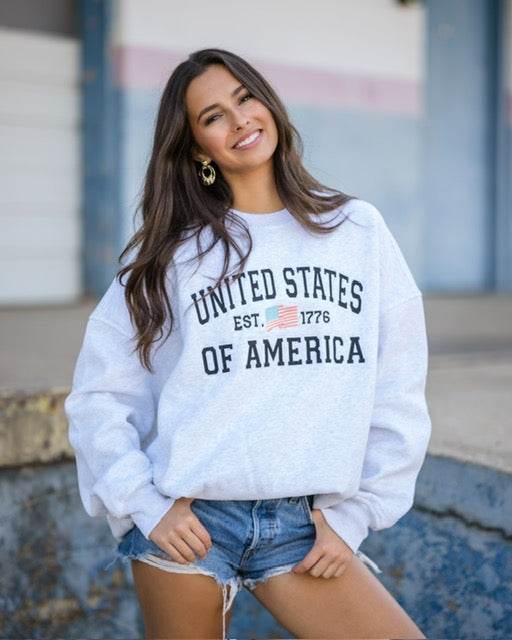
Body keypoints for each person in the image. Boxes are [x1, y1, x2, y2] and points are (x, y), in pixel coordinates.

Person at [66, 48, 431, 639]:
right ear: (195, 148)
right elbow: (100, 396)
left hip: (305, 525)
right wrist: (145, 503)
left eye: (245, 98)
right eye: (212, 117)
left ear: (270, 104)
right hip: (190, 521)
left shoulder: (357, 231)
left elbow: (397, 386)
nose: (239, 122)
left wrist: (357, 515)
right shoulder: (169, 257)